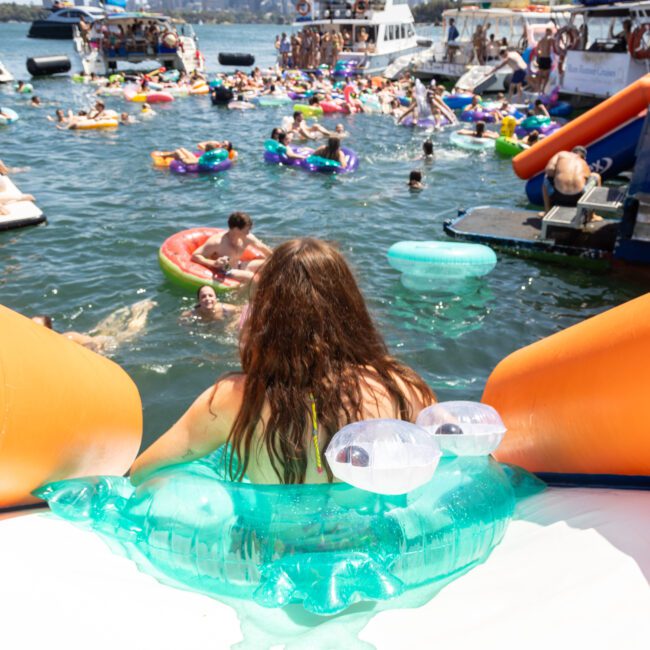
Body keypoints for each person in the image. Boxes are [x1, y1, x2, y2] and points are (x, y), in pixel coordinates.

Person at [130, 238, 436, 486]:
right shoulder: (403, 387)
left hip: (278, 552)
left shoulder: (233, 399)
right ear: (352, 309)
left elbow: (143, 472)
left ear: (266, 314)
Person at [31, 299, 155, 355]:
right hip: (93, 337)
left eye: (37, 328)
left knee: (131, 330)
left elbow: (92, 345)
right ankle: (132, 310)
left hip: (105, 344)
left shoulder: (68, 337)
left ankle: (143, 309)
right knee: (106, 327)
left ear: (49, 330)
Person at [190, 211, 272, 287]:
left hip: (239, 265)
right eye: (247, 229)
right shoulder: (217, 242)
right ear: (236, 229)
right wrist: (213, 263)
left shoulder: (247, 238)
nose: (248, 232)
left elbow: (263, 248)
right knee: (252, 277)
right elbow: (195, 256)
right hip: (225, 270)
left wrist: (278, 259)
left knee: (268, 264)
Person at [542, 146, 601, 213]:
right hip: (579, 198)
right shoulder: (584, 163)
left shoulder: (562, 154)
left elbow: (549, 170)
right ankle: (592, 215)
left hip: (558, 196)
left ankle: (547, 211)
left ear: (571, 152)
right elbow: (586, 178)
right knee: (596, 176)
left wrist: (559, 174)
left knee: (546, 177)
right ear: (584, 157)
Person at [535, 28, 554, 94]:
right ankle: (543, 89)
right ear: (549, 32)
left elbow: (537, 50)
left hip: (541, 58)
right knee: (546, 75)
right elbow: (555, 47)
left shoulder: (541, 40)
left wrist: (539, 55)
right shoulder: (550, 39)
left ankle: (539, 89)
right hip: (546, 58)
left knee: (540, 74)